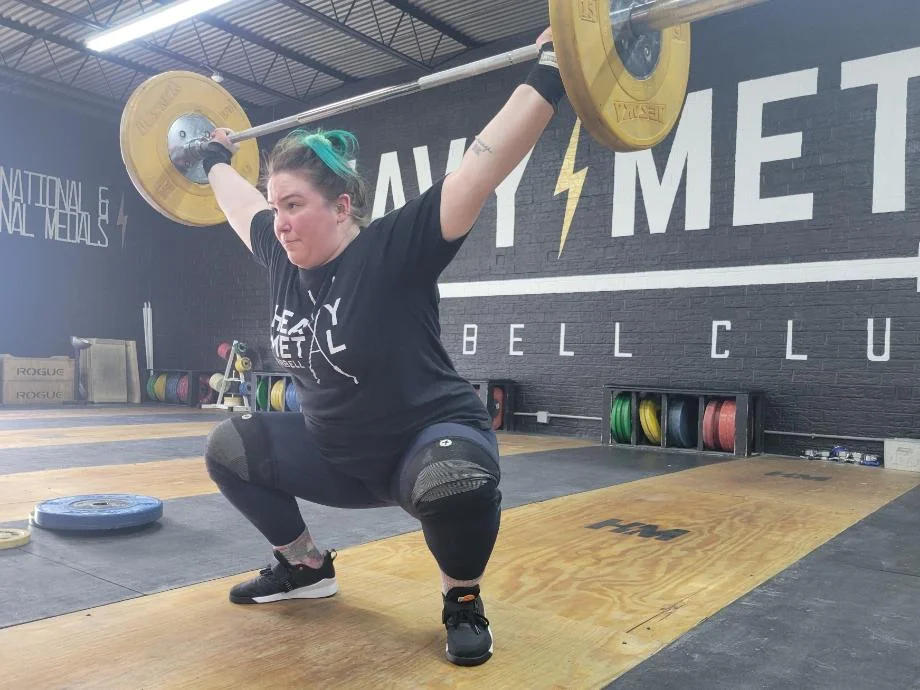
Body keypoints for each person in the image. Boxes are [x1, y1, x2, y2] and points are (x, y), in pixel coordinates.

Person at [199, 26, 564, 667]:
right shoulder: (281, 254)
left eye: (294, 204)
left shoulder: (393, 250)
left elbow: (482, 167)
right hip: (337, 455)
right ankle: (306, 567)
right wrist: (211, 159)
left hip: (425, 442)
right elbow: (236, 208)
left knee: (456, 481)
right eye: (275, 204)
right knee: (229, 446)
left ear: (342, 207)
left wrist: (553, 69)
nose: (279, 219)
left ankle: (462, 601)